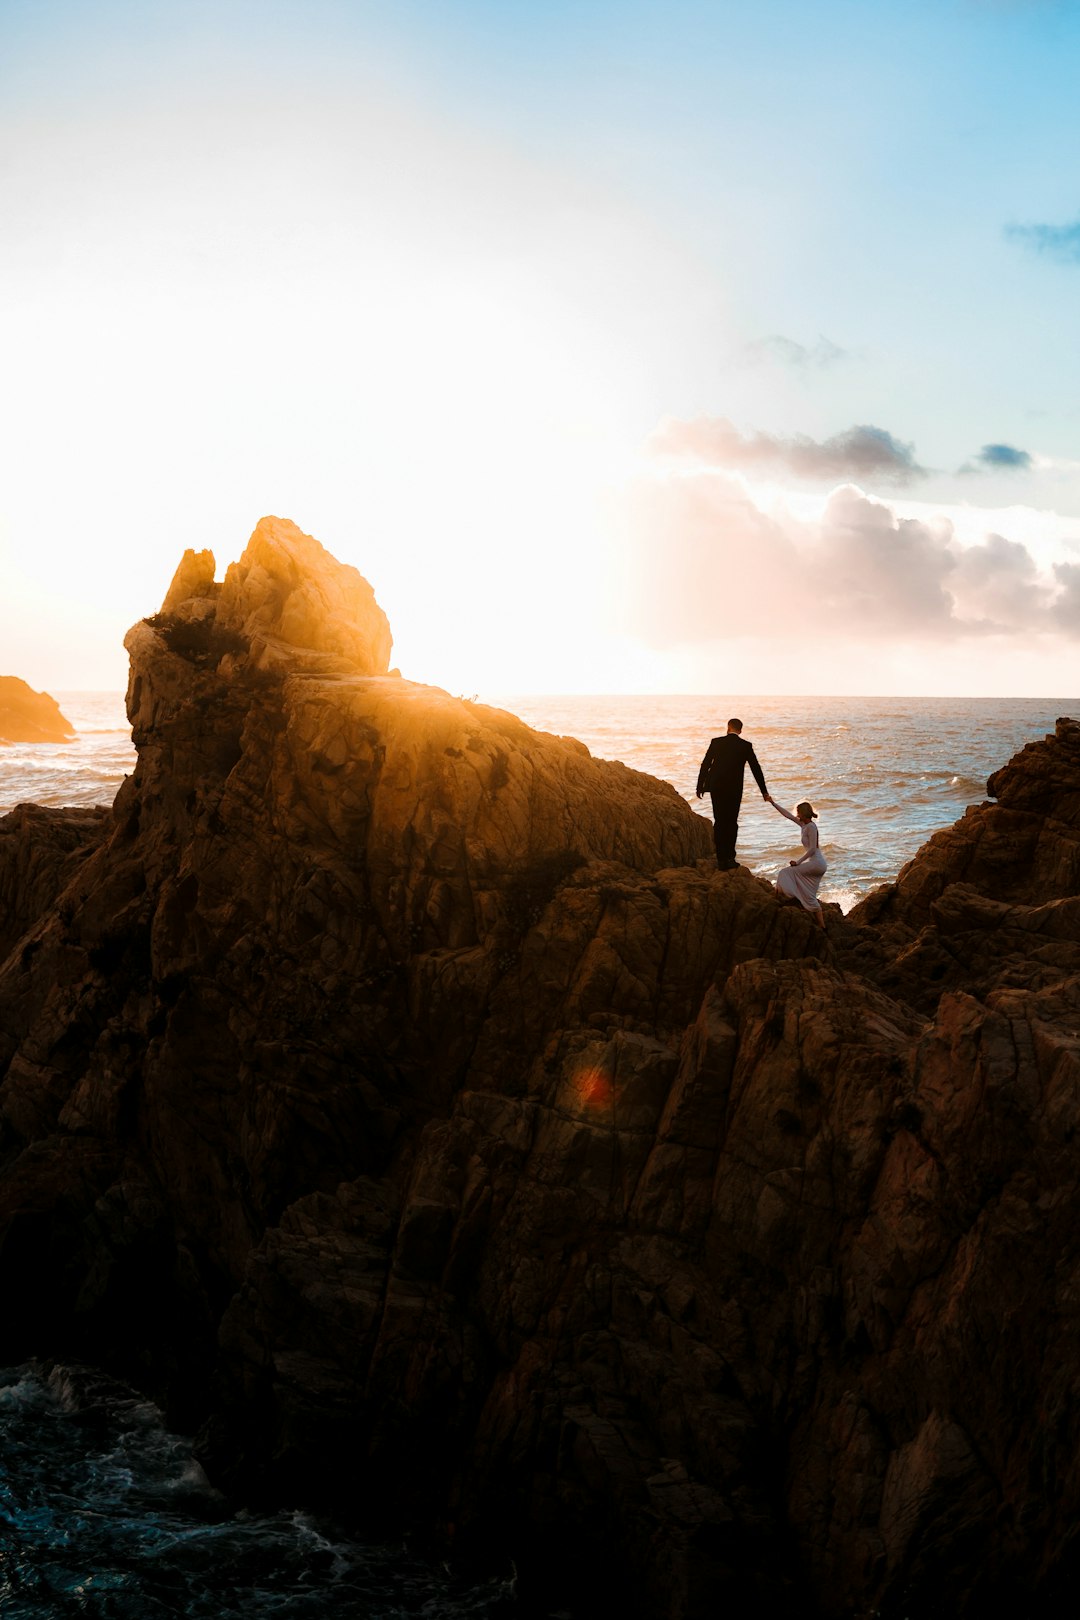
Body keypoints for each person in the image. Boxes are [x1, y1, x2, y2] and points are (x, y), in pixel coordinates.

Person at [695, 718, 769, 871]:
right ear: (740, 730)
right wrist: (764, 791)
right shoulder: (745, 746)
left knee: (719, 821)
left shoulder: (716, 742)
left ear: (728, 728)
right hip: (734, 789)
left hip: (716, 788)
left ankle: (721, 858)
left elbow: (706, 764)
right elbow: (756, 769)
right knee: (732, 822)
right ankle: (730, 858)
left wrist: (700, 786)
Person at [767, 796, 826, 927]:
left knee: (785, 873)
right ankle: (822, 926)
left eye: (798, 812)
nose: (797, 814)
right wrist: (773, 803)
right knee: (809, 894)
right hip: (816, 864)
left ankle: (787, 899)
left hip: (817, 864)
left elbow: (812, 849)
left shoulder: (811, 827)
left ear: (803, 813)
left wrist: (798, 862)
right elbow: (787, 815)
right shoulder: (804, 824)